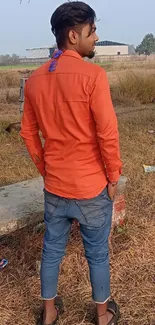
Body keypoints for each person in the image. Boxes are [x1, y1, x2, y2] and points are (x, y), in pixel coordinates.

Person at [20, 2, 122, 325]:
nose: (96, 37)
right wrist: (113, 174)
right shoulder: (94, 76)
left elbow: (27, 133)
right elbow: (108, 133)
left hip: (55, 187)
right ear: (73, 35)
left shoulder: (35, 80)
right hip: (91, 187)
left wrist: (45, 169)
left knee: (52, 250)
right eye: (92, 32)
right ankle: (102, 316)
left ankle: (49, 313)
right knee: (97, 253)